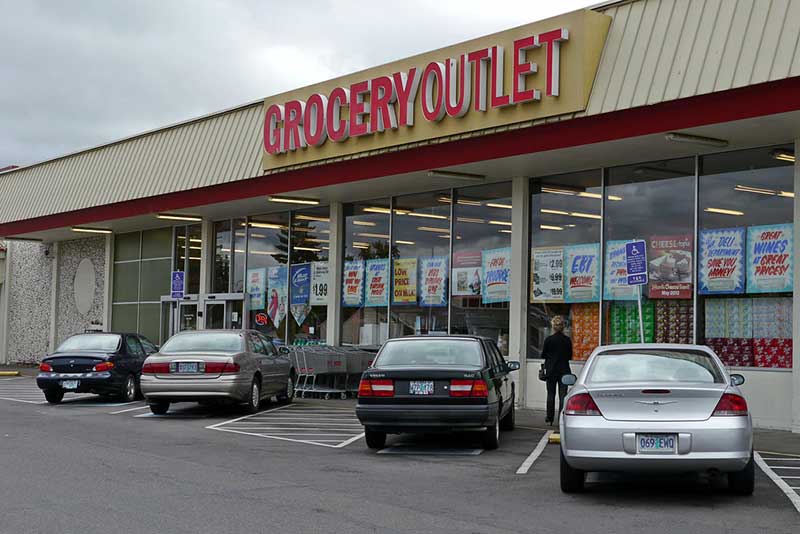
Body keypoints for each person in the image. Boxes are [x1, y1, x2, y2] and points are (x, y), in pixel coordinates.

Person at [542, 315, 572, 425]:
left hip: (550, 371)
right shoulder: (567, 340)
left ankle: (549, 417)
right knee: (563, 395)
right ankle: (561, 417)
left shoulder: (549, 340)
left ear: (553, 327)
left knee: (551, 394)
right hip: (564, 370)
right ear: (563, 326)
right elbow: (569, 356)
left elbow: (543, 355)